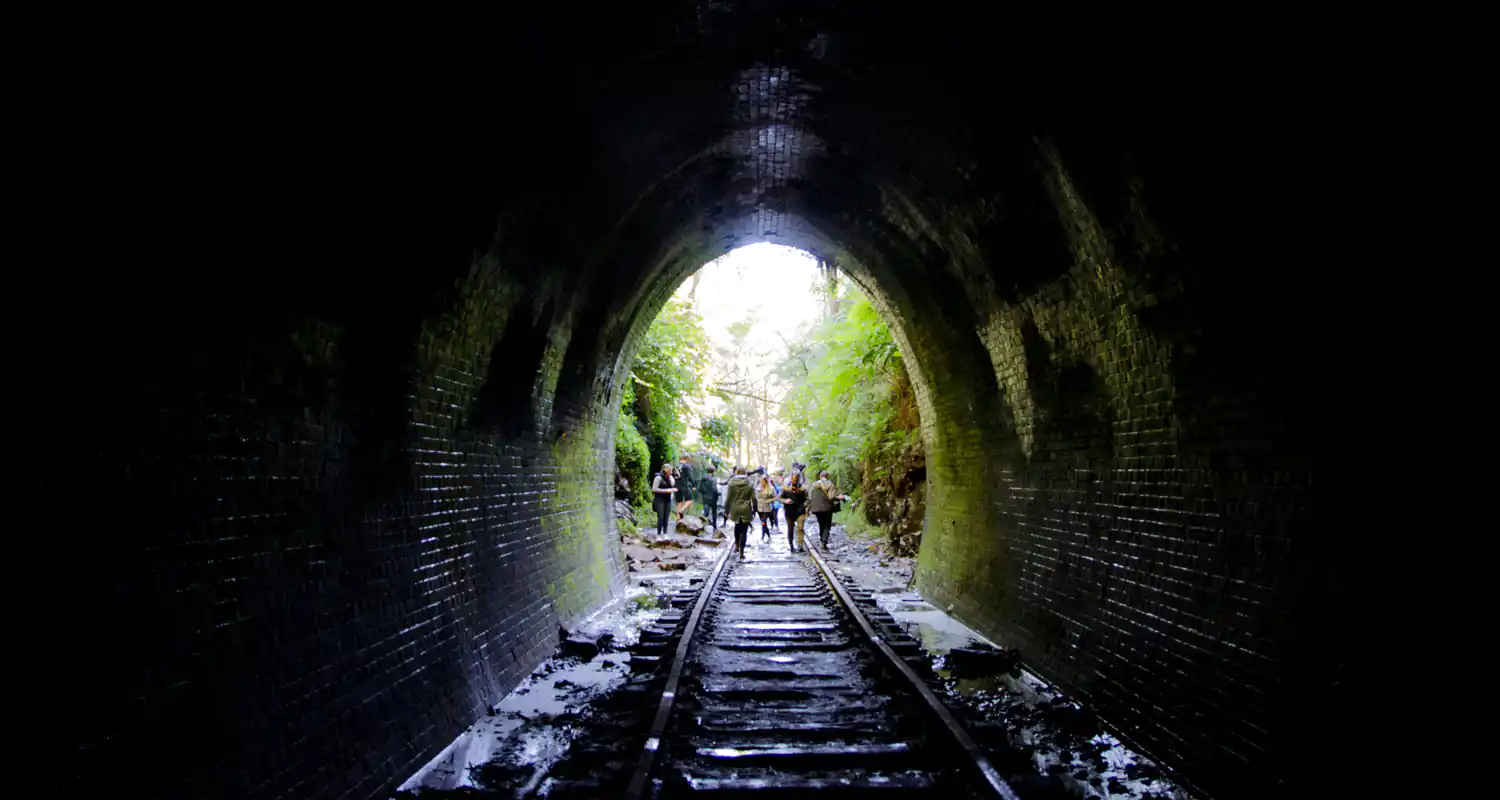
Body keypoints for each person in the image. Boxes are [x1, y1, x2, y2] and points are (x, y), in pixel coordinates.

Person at [808, 470, 849, 549]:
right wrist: (839, 497)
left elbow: (810, 497)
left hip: (816, 508)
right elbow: (831, 497)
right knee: (827, 525)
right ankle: (823, 542)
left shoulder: (814, 484)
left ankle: (821, 540)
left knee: (821, 524)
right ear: (827, 476)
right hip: (827, 508)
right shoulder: (830, 484)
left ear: (820, 476)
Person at [724, 466, 755, 557]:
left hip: (735, 508)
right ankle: (742, 551)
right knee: (744, 530)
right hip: (746, 508)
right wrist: (755, 509)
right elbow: (754, 498)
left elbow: (728, 498)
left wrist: (726, 510)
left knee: (737, 526)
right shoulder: (750, 483)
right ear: (745, 473)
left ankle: (737, 544)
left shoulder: (731, 483)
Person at [780, 471, 809, 552]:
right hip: (789, 511)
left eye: (796, 479)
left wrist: (803, 505)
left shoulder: (803, 489)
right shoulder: (785, 488)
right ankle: (791, 545)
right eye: (793, 479)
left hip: (800, 511)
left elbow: (807, 499)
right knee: (790, 529)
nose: (794, 481)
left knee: (800, 528)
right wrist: (786, 501)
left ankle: (800, 545)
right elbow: (780, 498)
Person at [650, 464, 677, 537]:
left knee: (666, 517)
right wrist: (666, 490)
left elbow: (673, 484)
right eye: (670, 470)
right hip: (659, 499)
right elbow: (654, 489)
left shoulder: (670, 477)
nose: (671, 472)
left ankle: (665, 533)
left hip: (668, 499)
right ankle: (658, 534)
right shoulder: (658, 477)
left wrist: (672, 477)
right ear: (666, 470)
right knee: (661, 517)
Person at [754, 474, 777, 541]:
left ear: (766, 482)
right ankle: (767, 535)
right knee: (763, 523)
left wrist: (769, 500)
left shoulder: (771, 488)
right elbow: (756, 497)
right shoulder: (758, 488)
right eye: (761, 482)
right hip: (759, 508)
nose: (762, 483)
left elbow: (775, 497)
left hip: (767, 509)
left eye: (763, 482)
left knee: (763, 522)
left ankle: (763, 536)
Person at [698, 467, 721, 533]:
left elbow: (700, 489)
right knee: (714, 513)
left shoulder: (703, 478)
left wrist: (704, 494)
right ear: (713, 472)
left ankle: (701, 527)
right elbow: (714, 489)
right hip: (713, 499)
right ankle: (714, 527)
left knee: (706, 513)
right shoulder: (714, 479)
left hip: (705, 498)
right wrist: (718, 494)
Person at [674, 454, 696, 520]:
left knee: (679, 501)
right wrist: (693, 485)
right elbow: (690, 476)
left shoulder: (676, 466)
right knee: (689, 500)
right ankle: (681, 510)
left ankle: (678, 518)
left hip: (676, 486)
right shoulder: (686, 466)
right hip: (684, 485)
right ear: (686, 459)